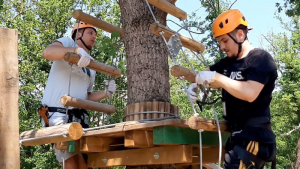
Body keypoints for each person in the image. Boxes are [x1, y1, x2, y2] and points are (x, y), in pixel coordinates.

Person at [187, 9, 277, 169]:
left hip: (254, 136)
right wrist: (196, 85)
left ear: (240, 35)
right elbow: (205, 74)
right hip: (238, 136)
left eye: (224, 41)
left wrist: (218, 78)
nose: (222, 47)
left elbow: (250, 93)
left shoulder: (260, 59)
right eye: (219, 42)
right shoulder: (228, 63)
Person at [41, 21, 116, 169]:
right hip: (57, 114)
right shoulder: (68, 43)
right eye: (90, 33)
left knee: (85, 165)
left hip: (78, 117)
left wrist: (105, 93)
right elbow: (48, 52)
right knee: (72, 163)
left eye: (95, 34)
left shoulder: (91, 65)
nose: (94, 37)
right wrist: (75, 51)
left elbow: (85, 96)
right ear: (79, 34)